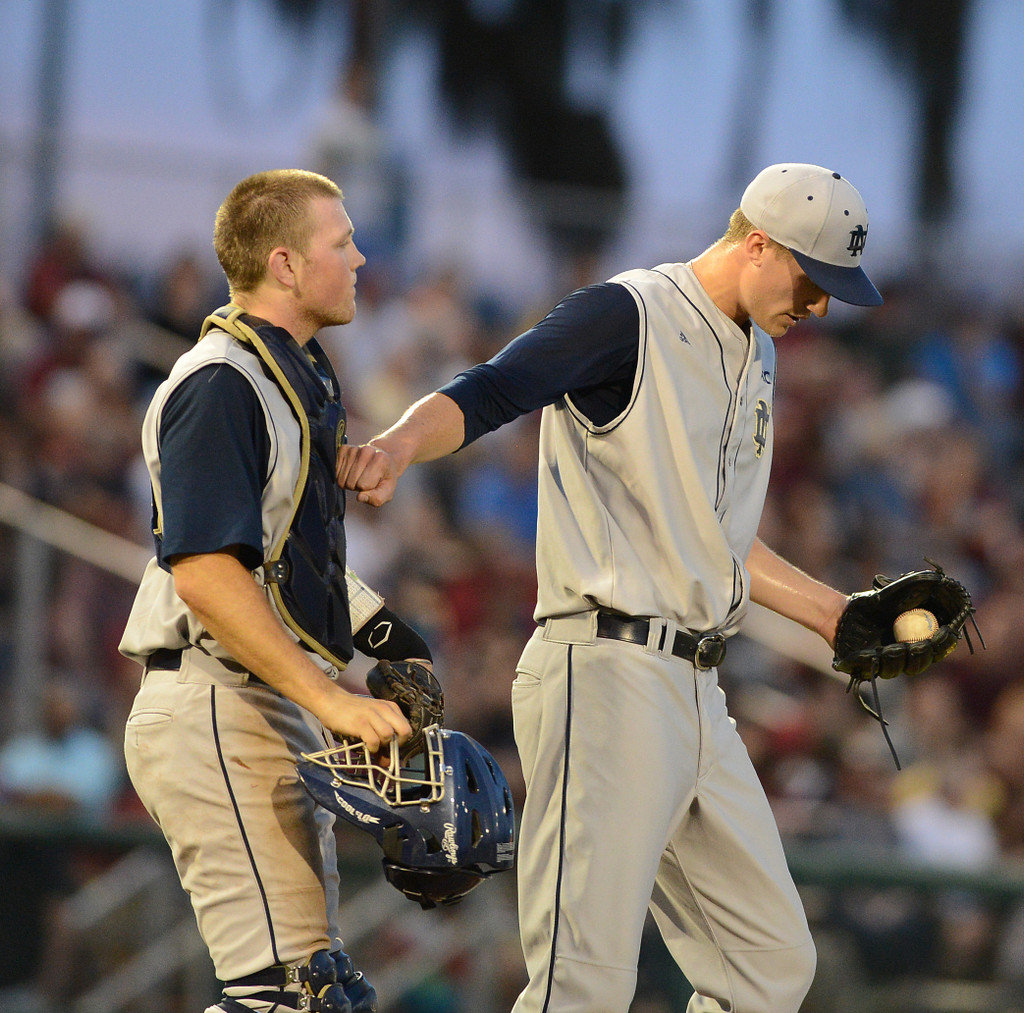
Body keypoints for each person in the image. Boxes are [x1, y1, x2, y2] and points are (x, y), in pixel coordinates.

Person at [338, 163, 885, 1013]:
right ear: (757, 244)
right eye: (813, 280)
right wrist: (400, 445)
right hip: (604, 665)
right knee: (581, 982)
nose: (820, 306)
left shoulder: (759, 351)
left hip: (698, 685)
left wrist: (829, 611)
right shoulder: (628, 314)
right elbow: (492, 386)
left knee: (771, 963)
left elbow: (714, 535)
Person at [119, 169, 434, 1013]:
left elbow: (286, 563)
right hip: (216, 696)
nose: (361, 256)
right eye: (343, 242)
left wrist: (387, 639)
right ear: (287, 265)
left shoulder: (292, 375)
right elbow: (208, 574)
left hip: (254, 699)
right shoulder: (221, 380)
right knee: (289, 997)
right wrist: (333, 701)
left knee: (309, 996)